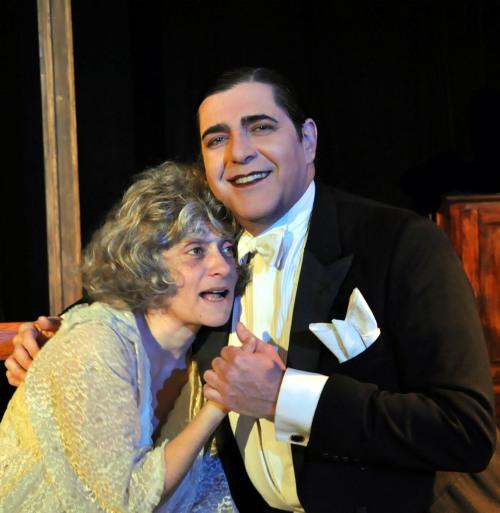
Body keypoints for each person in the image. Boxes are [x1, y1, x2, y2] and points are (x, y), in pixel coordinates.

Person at [6, 68, 500, 513]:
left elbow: (465, 429)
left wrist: (286, 397)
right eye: (217, 138)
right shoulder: (207, 260)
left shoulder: (400, 242)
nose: (238, 152)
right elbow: (128, 294)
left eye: (260, 127)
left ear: (308, 140)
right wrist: (52, 332)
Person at [0, 161, 250, 513]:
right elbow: (127, 502)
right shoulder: (95, 343)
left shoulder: (201, 362)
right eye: (196, 250)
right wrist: (219, 405)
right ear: (147, 262)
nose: (223, 267)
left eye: (227, 249)